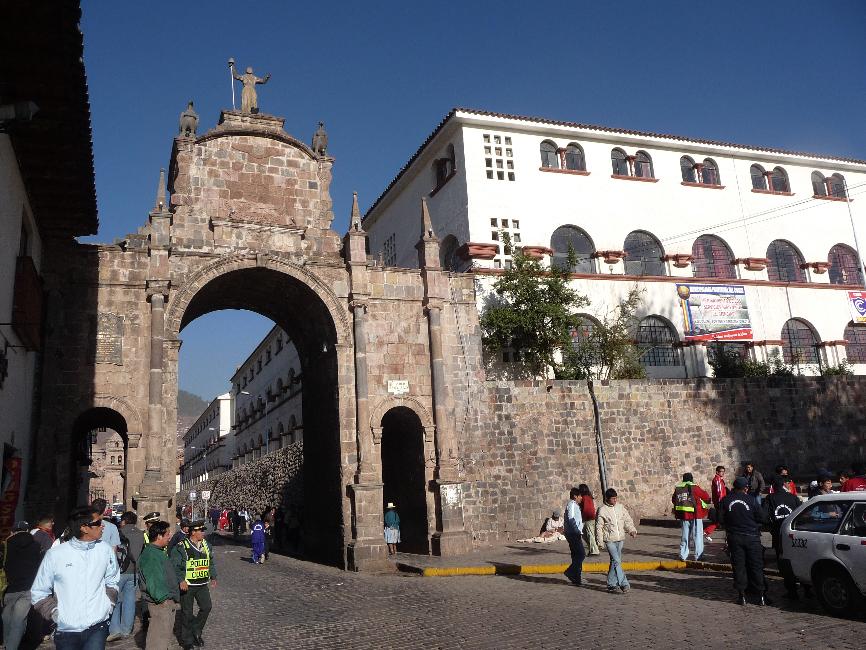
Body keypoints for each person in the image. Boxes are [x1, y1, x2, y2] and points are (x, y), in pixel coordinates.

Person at [31, 506, 120, 649]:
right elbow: (39, 591)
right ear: (84, 528)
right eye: (97, 523)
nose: (102, 526)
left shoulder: (105, 550)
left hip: (97, 626)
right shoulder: (56, 555)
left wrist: (108, 605)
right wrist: (56, 614)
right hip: (67, 629)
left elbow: (113, 580)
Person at [719, 476, 768, 606]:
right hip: (752, 537)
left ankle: (742, 596)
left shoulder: (725, 500)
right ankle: (761, 596)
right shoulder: (751, 500)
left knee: (739, 567)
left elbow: (720, 519)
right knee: (756, 566)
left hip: (734, 537)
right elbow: (762, 517)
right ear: (746, 488)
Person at [171, 520, 216, 650]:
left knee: (207, 607)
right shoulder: (181, 546)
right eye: (201, 530)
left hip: (202, 583)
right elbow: (175, 566)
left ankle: (196, 630)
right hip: (188, 585)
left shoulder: (206, 545)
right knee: (186, 613)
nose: (203, 533)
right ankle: (187, 641)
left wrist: (213, 576)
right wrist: (181, 580)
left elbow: (210, 562)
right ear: (193, 532)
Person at [137, 520, 180, 650]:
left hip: (165, 601)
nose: (170, 537)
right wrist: (164, 599)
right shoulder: (151, 554)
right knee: (158, 640)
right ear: (159, 536)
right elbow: (154, 580)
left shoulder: (157, 551)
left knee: (163, 637)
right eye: (167, 534)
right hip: (161, 603)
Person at [3, 521, 42, 650]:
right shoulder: (36, 545)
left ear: (13, 531)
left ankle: (8, 644)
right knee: (19, 620)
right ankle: (12, 647)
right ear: (27, 531)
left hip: (9, 588)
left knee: (6, 618)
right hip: (28, 587)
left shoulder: (6, 545)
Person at [107, 512, 144, 642]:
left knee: (116, 600)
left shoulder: (118, 532)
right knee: (130, 601)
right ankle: (126, 630)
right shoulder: (141, 534)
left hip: (119, 571)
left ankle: (115, 629)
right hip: (134, 572)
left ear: (124, 521)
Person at [764, 475, 801, 599]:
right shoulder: (793, 497)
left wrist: (770, 526)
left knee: (783, 561)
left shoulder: (770, 498)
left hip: (778, 534)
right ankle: (805, 588)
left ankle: (791, 590)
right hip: (793, 533)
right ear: (784, 485)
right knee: (796, 558)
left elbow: (764, 516)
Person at [595, 488, 637, 594]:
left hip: (620, 539)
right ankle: (624, 584)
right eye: (613, 498)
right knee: (617, 561)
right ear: (607, 499)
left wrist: (631, 530)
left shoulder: (620, 507)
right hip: (609, 540)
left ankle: (611, 584)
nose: (615, 500)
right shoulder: (602, 510)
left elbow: (627, 519)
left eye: (616, 498)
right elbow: (599, 527)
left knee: (614, 561)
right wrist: (599, 541)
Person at [672, 472, 711, 561]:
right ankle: (698, 555)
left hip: (683, 515)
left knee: (685, 536)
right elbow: (706, 496)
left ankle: (683, 555)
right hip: (696, 515)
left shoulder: (678, 488)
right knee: (697, 536)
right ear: (691, 479)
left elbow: (674, 500)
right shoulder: (695, 488)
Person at [562, 487, 586, 586]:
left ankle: (576, 578)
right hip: (573, 534)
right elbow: (571, 518)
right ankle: (570, 571)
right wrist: (576, 530)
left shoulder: (575, 505)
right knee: (581, 554)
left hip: (575, 533)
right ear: (575, 496)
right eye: (580, 496)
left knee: (576, 556)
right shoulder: (571, 504)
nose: (581, 498)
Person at [705, 465, 727, 542]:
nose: (723, 473)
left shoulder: (719, 480)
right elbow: (719, 492)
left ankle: (707, 532)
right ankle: (706, 532)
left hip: (720, 502)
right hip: (720, 502)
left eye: (724, 472)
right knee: (721, 519)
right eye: (721, 471)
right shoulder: (717, 480)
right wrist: (722, 502)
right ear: (717, 472)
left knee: (719, 519)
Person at [577, 484, 599, 555]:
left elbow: (586, 509)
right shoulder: (589, 497)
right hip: (590, 518)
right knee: (586, 534)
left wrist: (582, 518)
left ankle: (594, 551)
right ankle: (592, 548)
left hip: (588, 519)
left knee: (590, 535)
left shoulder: (585, 498)